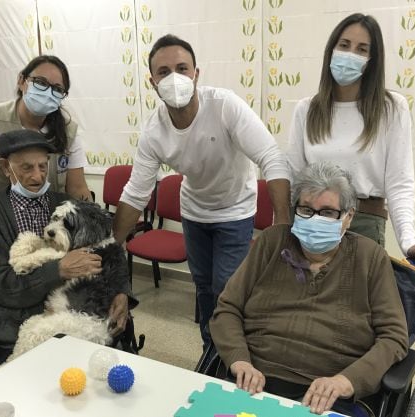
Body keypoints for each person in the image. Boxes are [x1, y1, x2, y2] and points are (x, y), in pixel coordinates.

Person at [113, 34, 291, 346]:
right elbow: (136, 192)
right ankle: (212, 348)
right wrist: (112, 244)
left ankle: (235, 352)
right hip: (194, 212)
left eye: (182, 68)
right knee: (204, 286)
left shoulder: (224, 106)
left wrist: (283, 223)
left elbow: (271, 157)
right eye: (164, 72)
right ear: (152, 82)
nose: (174, 78)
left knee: (227, 287)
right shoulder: (153, 131)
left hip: (235, 210)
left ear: (197, 73)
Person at [210, 162, 408, 417]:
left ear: (348, 217)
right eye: (306, 210)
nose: (315, 219)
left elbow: (394, 337)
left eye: (327, 213)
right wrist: (239, 360)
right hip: (253, 379)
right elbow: (228, 307)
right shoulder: (271, 242)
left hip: (329, 395)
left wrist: (346, 381)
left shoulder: (370, 258)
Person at [286, 13, 415, 267]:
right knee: (308, 302)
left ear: (371, 60)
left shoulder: (391, 108)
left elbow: (400, 181)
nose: (350, 54)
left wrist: (408, 240)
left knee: (357, 303)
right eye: (344, 45)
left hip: (365, 224)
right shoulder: (306, 109)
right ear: (331, 50)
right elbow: (292, 177)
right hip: (312, 225)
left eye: (362, 49)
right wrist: (284, 227)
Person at [0, 129, 133, 365]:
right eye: (27, 168)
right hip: (21, 319)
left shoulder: (64, 204)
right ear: (6, 168)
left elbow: (107, 251)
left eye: (43, 166)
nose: (37, 177)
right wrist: (57, 271)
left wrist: (123, 292)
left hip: (80, 312)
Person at [0, 55, 93, 276]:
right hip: (1, 227)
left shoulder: (68, 132)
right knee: (8, 285)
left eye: (57, 89)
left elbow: (77, 189)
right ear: (22, 81)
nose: (48, 92)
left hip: (52, 229)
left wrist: (91, 228)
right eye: (40, 83)